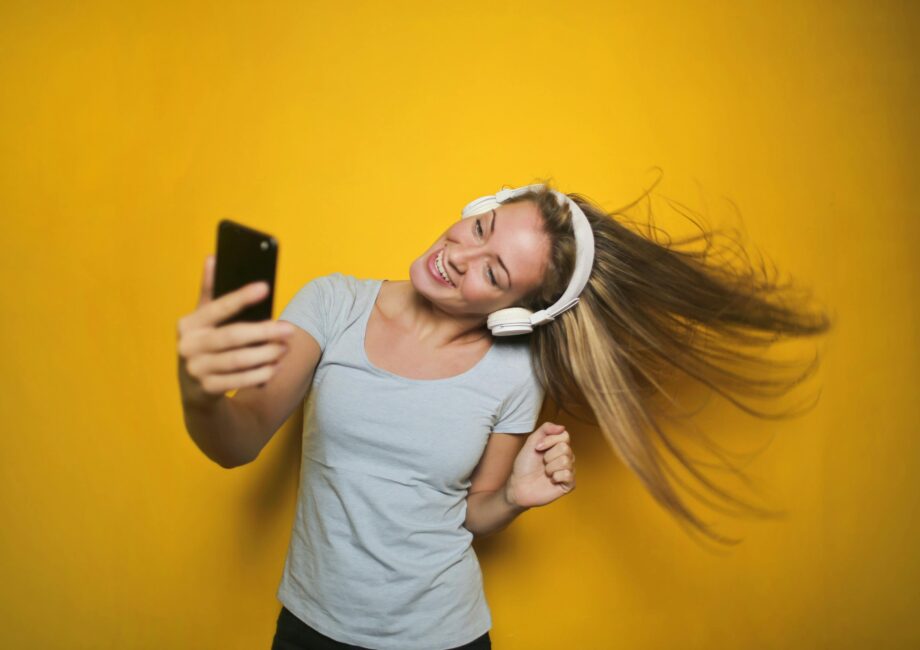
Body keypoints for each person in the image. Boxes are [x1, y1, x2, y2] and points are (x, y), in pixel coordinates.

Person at [177, 178, 832, 649]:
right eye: (482, 228)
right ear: (477, 209)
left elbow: (472, 511)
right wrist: (200, 389)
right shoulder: (333, 303)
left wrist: (514, 497)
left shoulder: (515, 372)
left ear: (515, 313)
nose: (460, 255)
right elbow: (237, 444)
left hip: (444, 636)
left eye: (493, 274)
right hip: (311, 629)